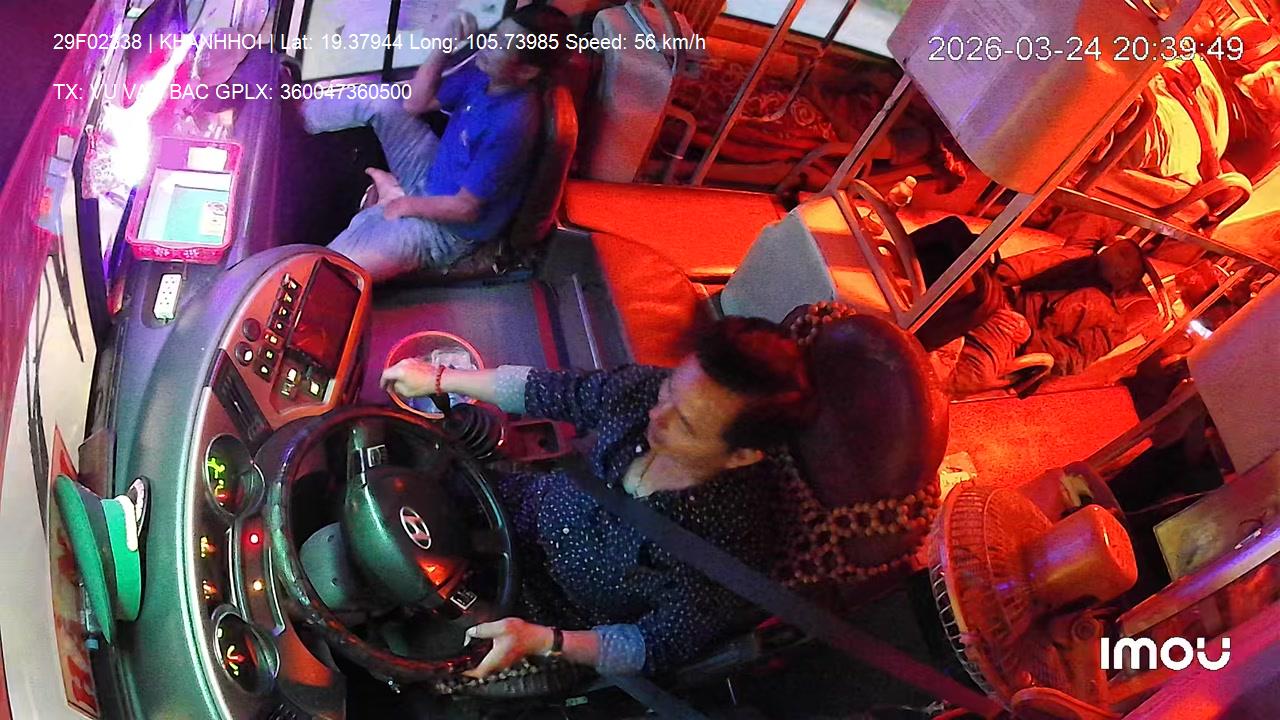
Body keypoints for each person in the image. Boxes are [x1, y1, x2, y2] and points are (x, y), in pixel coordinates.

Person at [380, 317, 815, 678]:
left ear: (741, 456)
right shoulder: (647, 393)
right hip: (517, 504)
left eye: (684, 423)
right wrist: (440, 378)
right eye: (669, 389)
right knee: (392, 481)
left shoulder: (728, 545)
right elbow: (550, 390)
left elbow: (656, 644)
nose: (655, 414)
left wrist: (545, 641)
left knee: (408, 651)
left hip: (545, 612)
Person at [301, 5, 572, 281]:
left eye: (501, 45)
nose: (488, 44)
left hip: (445, 230)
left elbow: (466, 209)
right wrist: (442, 48)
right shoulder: (485, 76)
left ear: (526, 71)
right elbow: (416, 103)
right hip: (432, 174)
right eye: (495, 35)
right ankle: (298, 117)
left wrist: (404, 206)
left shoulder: (512, 123)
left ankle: (387, 200)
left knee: (331, 273)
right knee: (379, 100)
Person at [950, 238, 1147, 393]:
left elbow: (1073, 359)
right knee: (952, 247)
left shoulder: (1112, 323)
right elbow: (1019, 267)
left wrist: (1029, 337)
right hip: (996, 293)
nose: (1110, 248)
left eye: (1122, 253)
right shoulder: (1075, 257)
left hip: (1013, 333)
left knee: (975, 372)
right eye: (1115, 246)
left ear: (1126, 276)